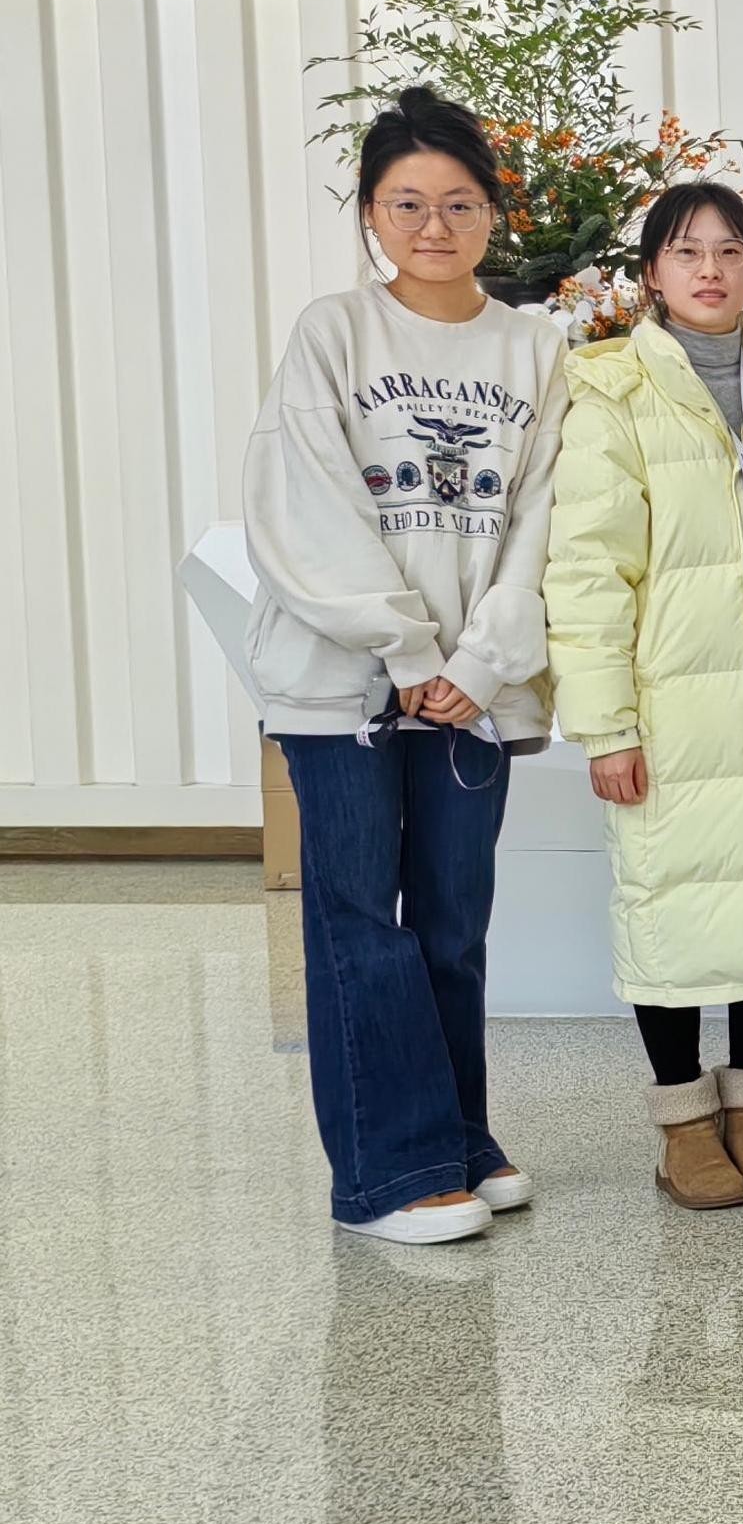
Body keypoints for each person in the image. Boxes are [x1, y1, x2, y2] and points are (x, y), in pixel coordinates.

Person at [242, 86, 566, 1244]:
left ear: (493, 211)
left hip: (469, 690)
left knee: (451, 921)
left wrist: (477, 662)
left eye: (459, 202)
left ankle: (457, 1135)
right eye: (407, 202)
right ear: (372, 213)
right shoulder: (333, 331)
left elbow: (544, 518)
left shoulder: (534, 345)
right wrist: (409, 648)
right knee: (359, 923)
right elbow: (305, 506)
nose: (435, 225)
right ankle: (388, 1172)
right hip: (341, 686)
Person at [546, 184, 743, 1211]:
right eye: (685, 251)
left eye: (729, 250)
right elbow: (588, 569)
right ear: (651, 276)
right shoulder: (614, 389)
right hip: (675, 703)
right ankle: (683, 1122)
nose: (709, 269)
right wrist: (606, 725)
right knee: (671, 903)